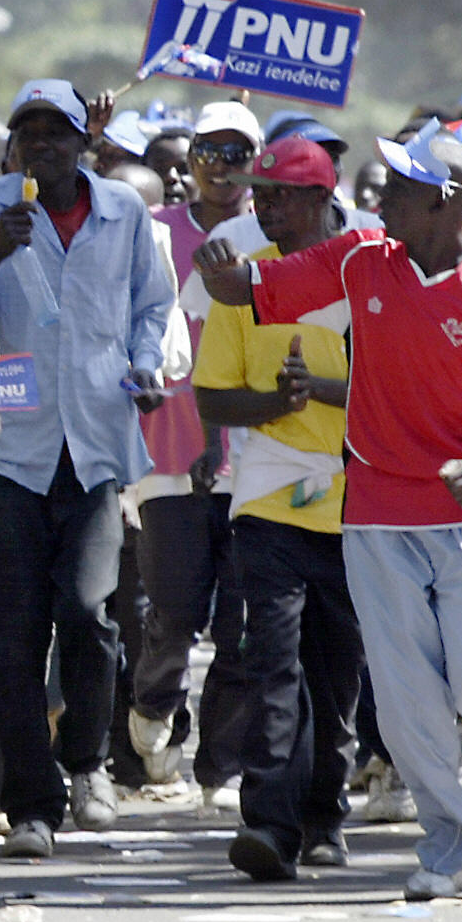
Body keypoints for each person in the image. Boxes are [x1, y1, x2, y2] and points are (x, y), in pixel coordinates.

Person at [195, 119, 462, 900]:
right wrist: (221, 269)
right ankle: (450, 851)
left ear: (448, 202)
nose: (382, 197)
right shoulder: (362, 259)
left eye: (400, 186)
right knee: (404, 704)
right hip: (374, 517)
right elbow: (249, 292)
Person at [0, 80, 174, 859]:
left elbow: (151, 306)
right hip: (8, 446)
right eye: (27, 133)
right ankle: (31, 808)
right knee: (12, 635)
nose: (40, 145)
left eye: (56, 133)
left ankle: (87, 764)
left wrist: (145, 368)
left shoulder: (124, 212)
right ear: (13, 146)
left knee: (88, 610)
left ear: (84, 143)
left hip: (96, 444)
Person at [188, 137, 363, 881]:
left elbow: (396, 395)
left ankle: (326, 815)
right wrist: (274, 402)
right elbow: (211, 395)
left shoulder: (366, 277)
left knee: (336, 673)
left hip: (356, 502)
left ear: (322, 200)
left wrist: (320, 392)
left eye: (281, 194)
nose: (263, 204)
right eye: (260, 192)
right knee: (274, 662)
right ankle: (270, 824)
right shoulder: (243, 284)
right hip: (267, 498)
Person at [127, 100, 258, 809]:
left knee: (239, 625)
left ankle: (222, 769)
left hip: (255, 454)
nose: (221, 166)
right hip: (165, 452)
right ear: (189, 162)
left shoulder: (271, 235)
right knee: (174, 612)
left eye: (237, 153)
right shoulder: (152, 233)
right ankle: (153, 704)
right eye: (209, 150)